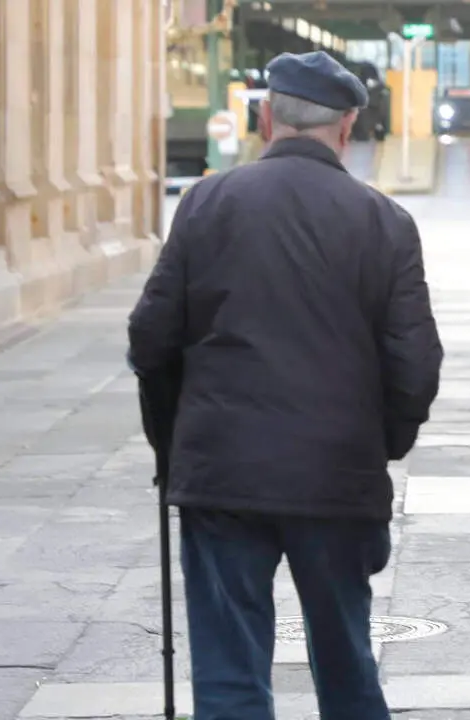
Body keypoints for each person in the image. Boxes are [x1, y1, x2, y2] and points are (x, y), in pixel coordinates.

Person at [127, 51, 444, 720]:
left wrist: (176, 441)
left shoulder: (206, 202)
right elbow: (415, 366)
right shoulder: (383, 221)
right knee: (347, 666)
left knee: (230, 674)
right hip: (335, 471)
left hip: (223, 471)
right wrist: (374, 442)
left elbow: (150, 338)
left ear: (267, 117)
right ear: (348, 125)